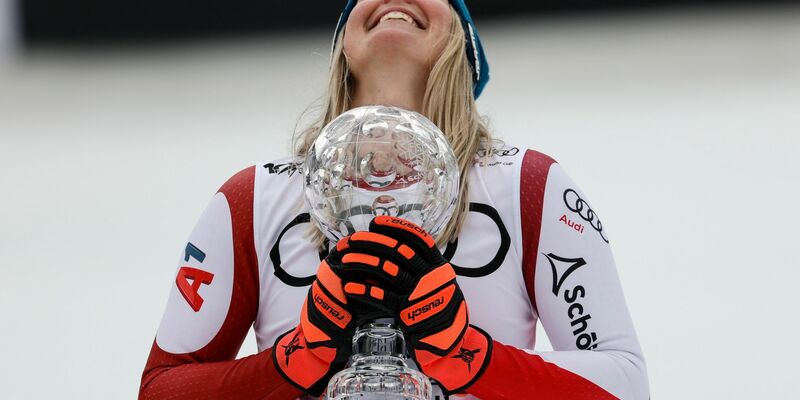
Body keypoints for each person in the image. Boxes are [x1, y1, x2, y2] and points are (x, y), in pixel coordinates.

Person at [139, 0, 650, 399]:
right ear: (343, 43)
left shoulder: (527, 185)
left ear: (462, 41)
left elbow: (626, 384)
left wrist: (471, 355)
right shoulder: (254, 198)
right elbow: (159, 389)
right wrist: (292, 360)